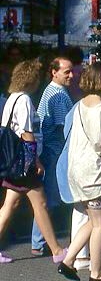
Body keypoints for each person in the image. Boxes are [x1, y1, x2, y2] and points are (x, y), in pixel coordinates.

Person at [56, 62, 101, 281]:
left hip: (77, 170)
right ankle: (97, 273)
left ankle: (68, 260)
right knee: (99, 225)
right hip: (94, 172)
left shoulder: (79, 106)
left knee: (92, 218)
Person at [0, 60, 68, 265]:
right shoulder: (25, 101)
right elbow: (27, 134)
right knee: (41, 203)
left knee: (10, 205)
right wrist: (35, 162)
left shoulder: (12, 99)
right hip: (24, 163)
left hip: (12, 161)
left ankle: (54, 249)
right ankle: (56, 250)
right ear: (31, 79)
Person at [32, 55, 75, 256]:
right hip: (55, 150)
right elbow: (63, 126)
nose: (71, 75)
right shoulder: (58, 95)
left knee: (45, 198)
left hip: (50, 149)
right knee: (48, 198)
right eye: (67, 72)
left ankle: (39, 241)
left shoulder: (52, 91)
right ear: (54, 72)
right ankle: (40, 241)